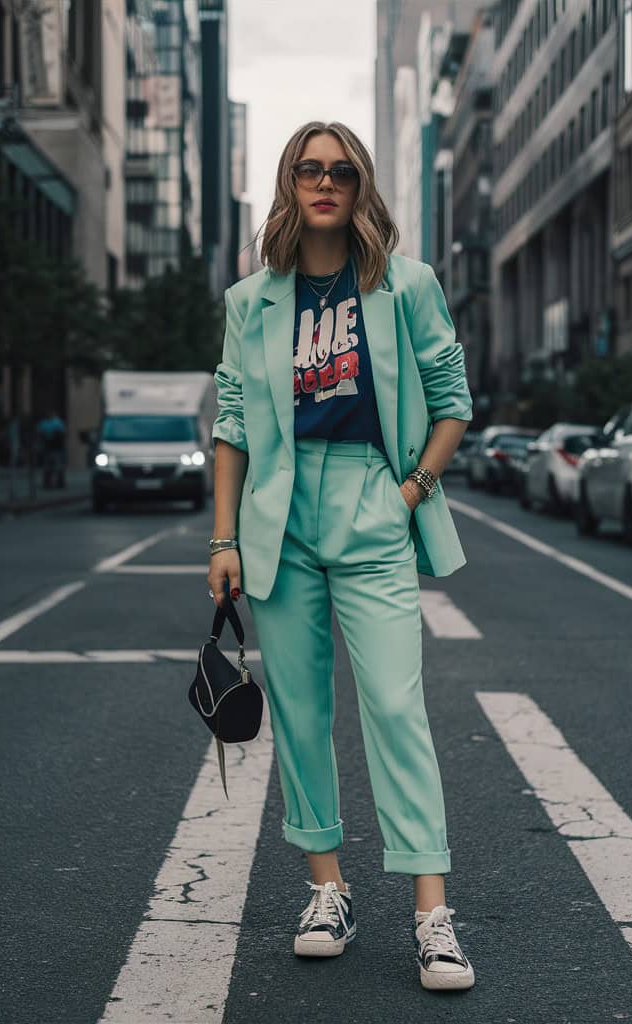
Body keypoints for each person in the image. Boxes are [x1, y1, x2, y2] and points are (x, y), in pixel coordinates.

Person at [207, 121, 475, 991]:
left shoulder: (405, 285)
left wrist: (409, 493)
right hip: (277, 518)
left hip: (372, 500)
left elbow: (451, 400)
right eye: (308, 169)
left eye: (342, 171)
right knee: (300, 714)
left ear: (362, 186)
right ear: (288, 184)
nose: (325, 183)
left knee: (396, 707)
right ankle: (329, 890)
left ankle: (432, 915)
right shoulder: (253, 300)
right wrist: (222, 539)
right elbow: (235, 424)